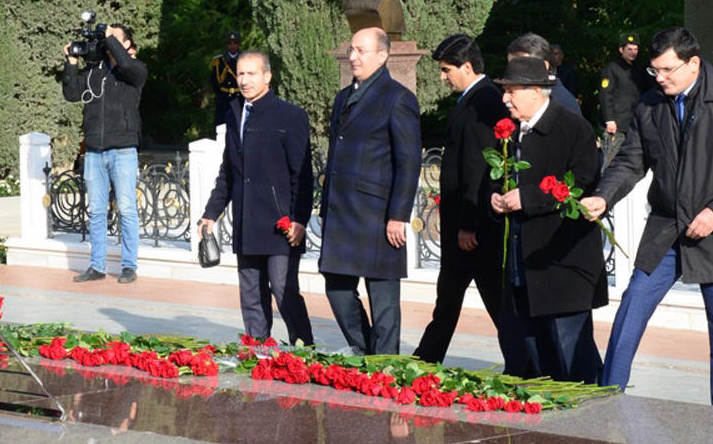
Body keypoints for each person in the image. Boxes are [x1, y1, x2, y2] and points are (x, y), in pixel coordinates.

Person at [581, 27, 713, 408]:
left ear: (694, 63)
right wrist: (602, 197)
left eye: (668, 70)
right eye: (655, 71)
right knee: (632, 306)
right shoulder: (649, 105)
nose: (661, 78)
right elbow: (630, 162)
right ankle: (607, 397)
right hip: (667, 226)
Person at [490, 56, 607, 384]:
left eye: (510, 91)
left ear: (534, 92)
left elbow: (582, 181)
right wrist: (495, 198)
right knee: (537, 353)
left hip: (561, 265)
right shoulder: (511, 133)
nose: (505, 99)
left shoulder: (571, 128)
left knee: (571, 355)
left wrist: (527, 198)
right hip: (523, 264)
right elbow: (496, 177)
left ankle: (587, 427)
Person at [199, 51, 315, 345]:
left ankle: (305, 350)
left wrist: (300, 219)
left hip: (281, 224)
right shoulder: (235, 112)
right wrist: (211, 213)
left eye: (252, 74)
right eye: (240, 74)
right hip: (247, 221)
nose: (245, 80)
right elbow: (229, 171)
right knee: (251, 292)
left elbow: (302, 174)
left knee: (283, 289)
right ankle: (258, 349)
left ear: (267, 76)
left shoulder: (291, 116)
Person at [318, 27, 421, 355]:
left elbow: (409, 162)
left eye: (361, 51)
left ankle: (386, 364)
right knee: (336, 288)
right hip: (341, 212)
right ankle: (364, 351)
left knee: (384, 299)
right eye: (352, 50)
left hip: (377, 216)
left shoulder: (398, 98)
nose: (352, 57)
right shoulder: (343, 96)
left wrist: (398, 215)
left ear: (382, 55)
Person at [414, 34, 509, 363]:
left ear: (467, 67)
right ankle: (426, 359)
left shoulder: (484, 101)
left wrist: (469, 224)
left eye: (446, 70)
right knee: (449, 300)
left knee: (496, 302)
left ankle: (526, 363)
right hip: (463, 227)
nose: (443, 77)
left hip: (473, 230)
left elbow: (477, 167)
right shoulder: (473, 98)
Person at [64, 24, 147, 284]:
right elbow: (71, 93)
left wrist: (109, 36)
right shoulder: (95, 73)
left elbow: (123, 62)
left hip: (122, 150)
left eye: (115, 40)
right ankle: (97, 266)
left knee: (126, 209)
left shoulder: (134, 71)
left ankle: (128, 266)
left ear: (127, 45)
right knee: (97, 212)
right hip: (95, 153)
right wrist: (71, 62)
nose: (108, 43)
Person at [598, 33, 651, 165]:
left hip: (632, 124)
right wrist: (609, 119)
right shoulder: (612, 68)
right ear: (621, 50)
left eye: (636, 50)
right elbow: (606, 94)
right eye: (629, 49)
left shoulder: (636, 70)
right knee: (609, 162)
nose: (633, 53)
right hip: (616, 125)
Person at [506, 33, 580, 115]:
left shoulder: (560, 103)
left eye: (521, 66)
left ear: (544, 66)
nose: (512, 72)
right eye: (511, 66)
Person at [210, 31, 242, 127]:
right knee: (221, 125)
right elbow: (214, 81)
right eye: (230, 43)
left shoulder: (244, 59)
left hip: (239, 97)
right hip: (224, 98)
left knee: (239, 125)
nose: (232, 46)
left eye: (235, 43)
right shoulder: (219, 60)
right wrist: (220, 95)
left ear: (239, 44)